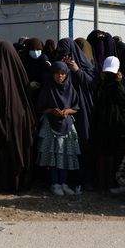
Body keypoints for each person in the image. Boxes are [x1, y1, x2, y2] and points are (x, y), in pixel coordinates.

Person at [0, 41, 37, 192]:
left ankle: (6, 184)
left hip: (4, 118)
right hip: (22, 116)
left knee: (5, 152)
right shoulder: (19, 68)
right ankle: (21, 183)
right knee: (20, 149)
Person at [36, 61, 81, 196]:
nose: (60, 76)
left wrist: (67, 111)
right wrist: (52, 111)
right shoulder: (48, 88)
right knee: (53, 155)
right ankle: (55, 183)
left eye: (62, 74)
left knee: (65, 154)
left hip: (66, 125)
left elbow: (76, 107)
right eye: (57, 73)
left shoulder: (70, 88)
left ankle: (64, 183)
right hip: (50, 125)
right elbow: (40, 107)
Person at [56, 38, 95, 192]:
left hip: (83, 110)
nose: (64, 56)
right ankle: (67, 180)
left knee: (84, 143)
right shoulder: (59, 64)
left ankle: (85, 179)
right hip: (66, 110)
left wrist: (76, 70)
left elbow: (92, 83)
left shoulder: (85, 65)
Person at [92, 56, 125, 190]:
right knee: (102, 153)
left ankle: (113, 182)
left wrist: (119, 84)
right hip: (102, 122)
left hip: (116, 123)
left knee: (114, 153)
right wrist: (101, 82)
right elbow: (97, 97)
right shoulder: (101, 82)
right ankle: (101, 182)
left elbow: (124, 99)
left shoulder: (122, 82)